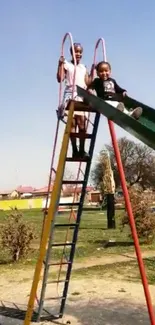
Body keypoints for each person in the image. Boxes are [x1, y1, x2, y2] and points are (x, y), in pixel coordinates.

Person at [57, 43, 93, 158]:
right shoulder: (66, 64)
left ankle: (82, 150)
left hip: (81, 95)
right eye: (76, 51)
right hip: (70, 94)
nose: (78, 54)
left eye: (80, 52)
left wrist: (92, 72)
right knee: (72, 124)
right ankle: (75, 149)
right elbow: (60, 78)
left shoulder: (83, 67)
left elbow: (88, 83)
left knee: (82, 124)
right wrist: (60, 65)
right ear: (71, 52)